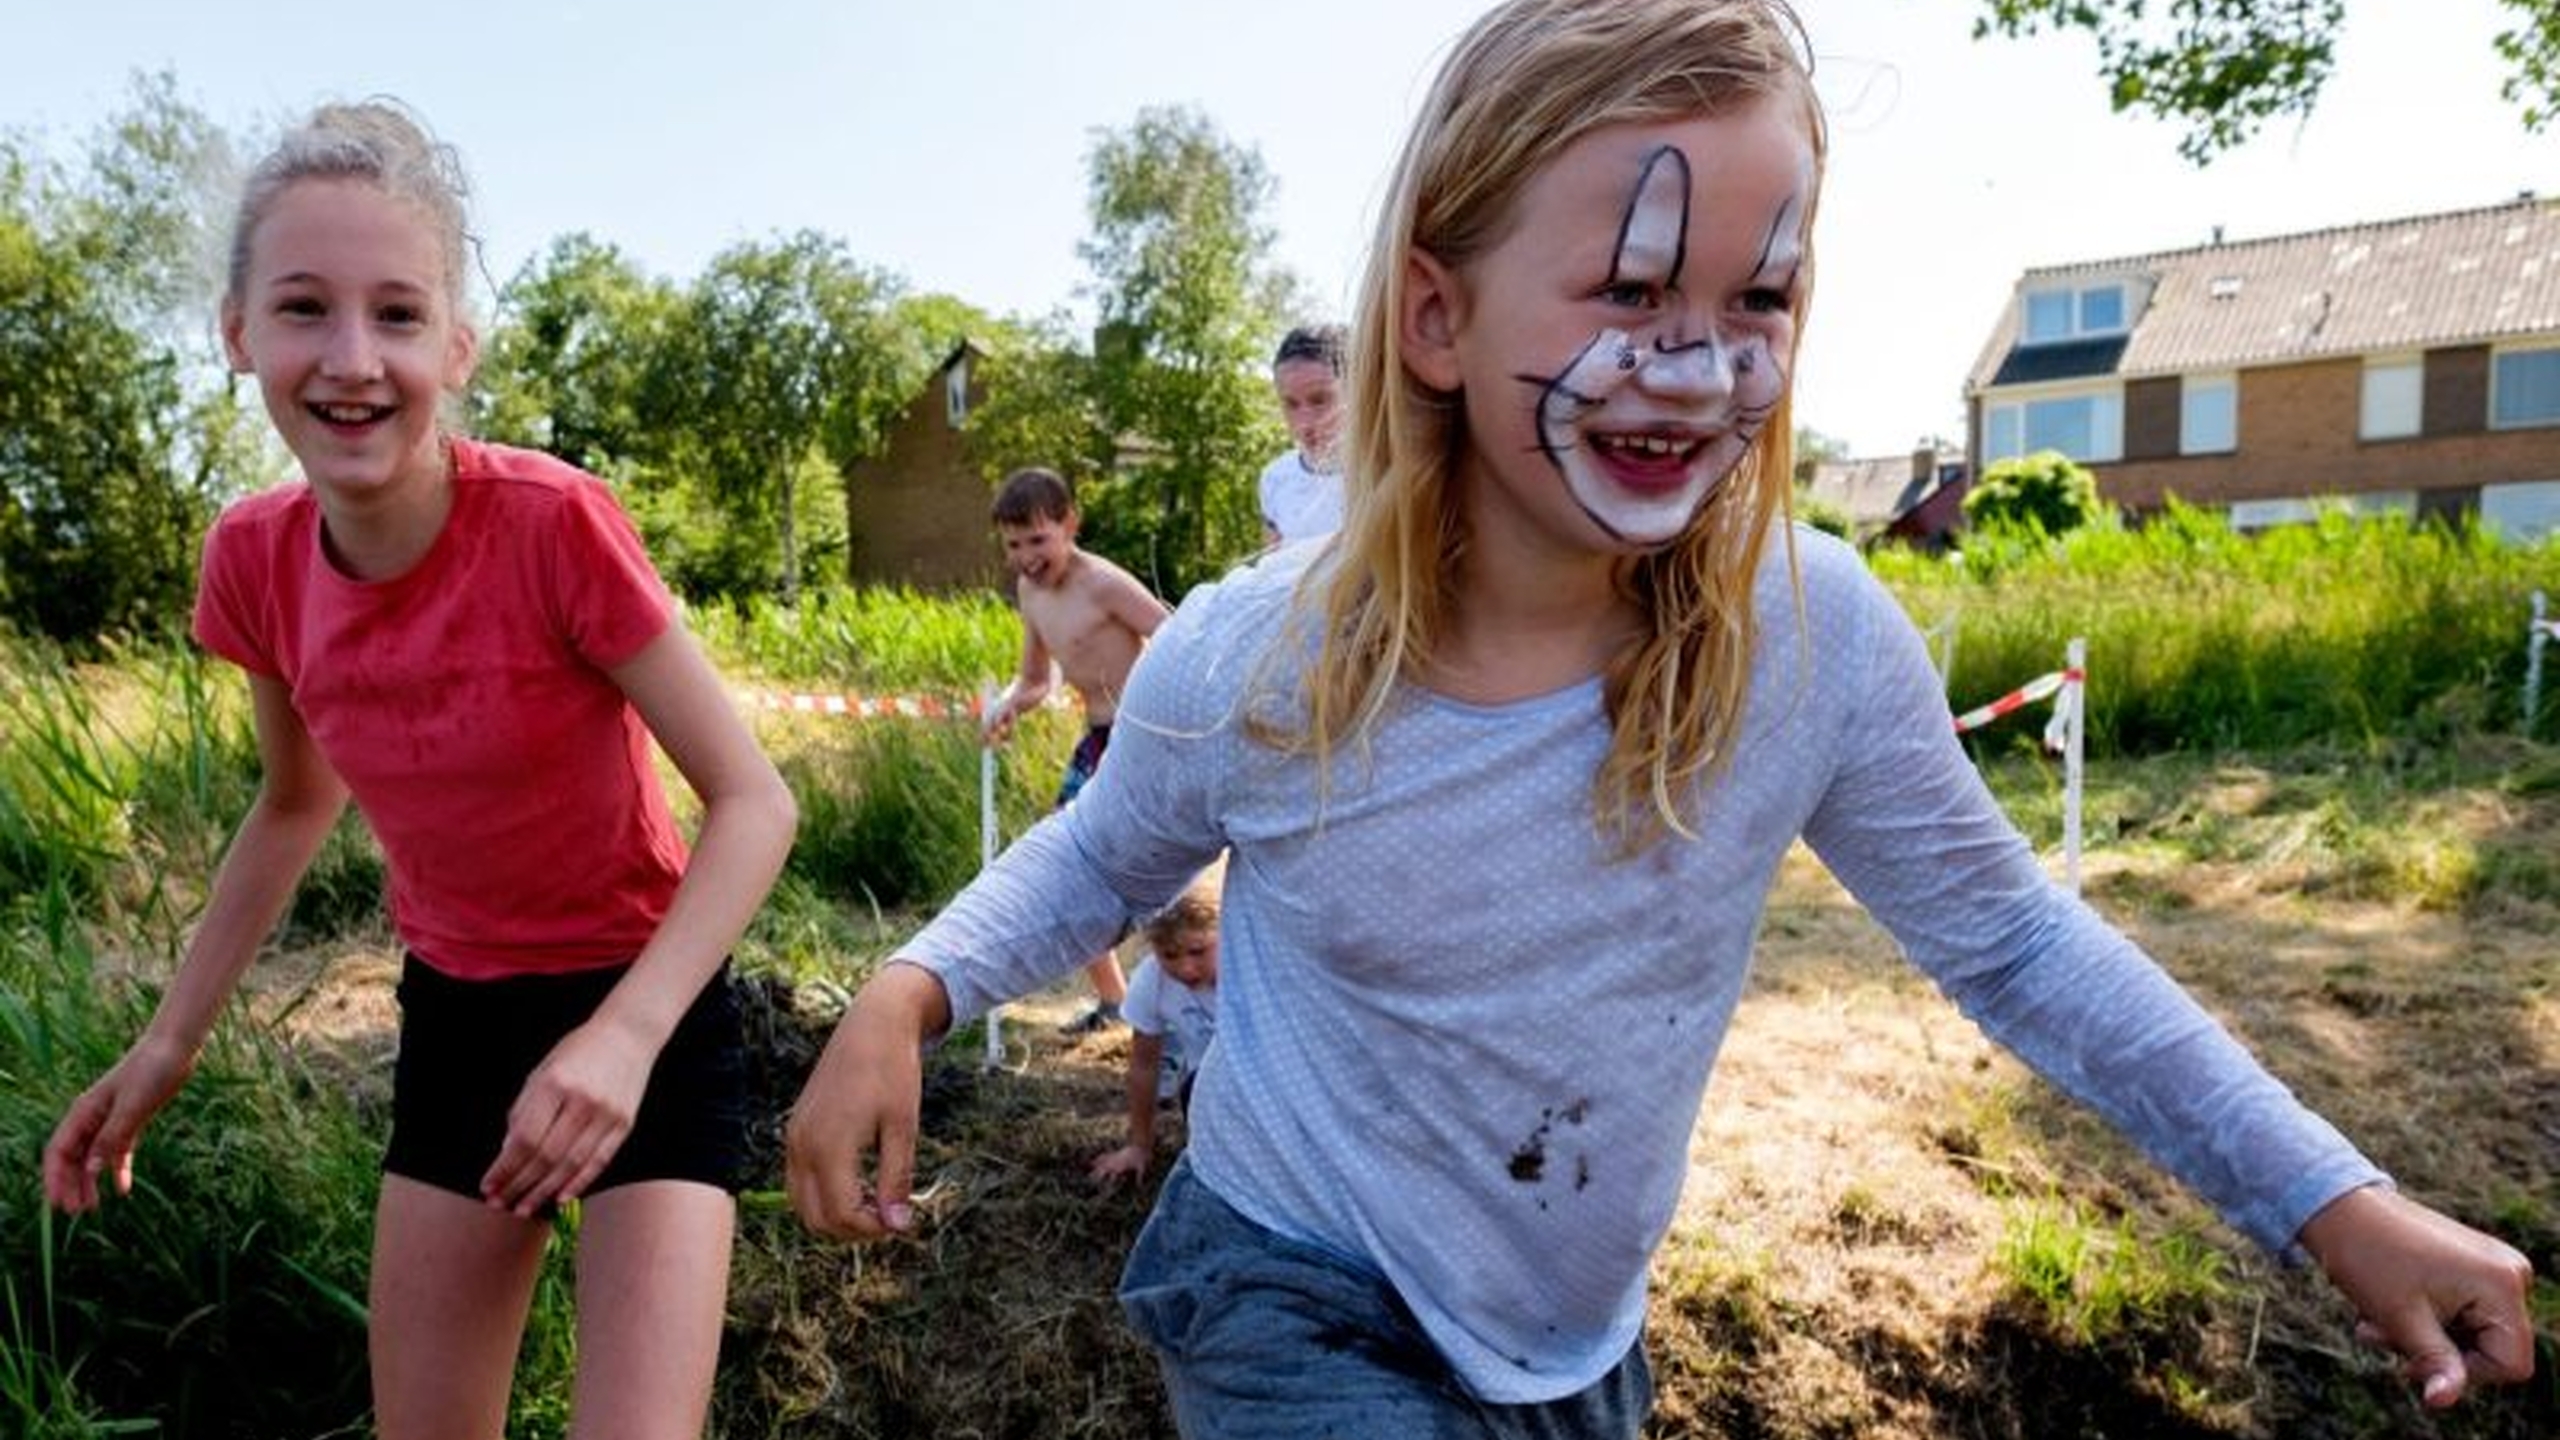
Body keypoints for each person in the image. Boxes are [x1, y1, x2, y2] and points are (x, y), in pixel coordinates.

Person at [784, 0, 2537, 1433]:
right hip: (1286, 1286)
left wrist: (2333, 1199)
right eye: (1628, 293)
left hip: (1571, 1348)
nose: (1696, 367)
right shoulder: (1263, 658)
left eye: (1754, 298)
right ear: (1436, 317)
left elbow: (2017, 944)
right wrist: (908, 990)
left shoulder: (1811, 639)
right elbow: (1102, 857)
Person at [38, 101, 797, 1440]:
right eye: (302, 309)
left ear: (457, 344)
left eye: (396, 315)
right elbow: (293, 802)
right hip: (459, 1019)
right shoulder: (253, 563)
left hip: (649, 1008)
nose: (351, 358)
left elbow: (754, 802)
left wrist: (620, 1040)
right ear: (237, 337)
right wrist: (166, 1047)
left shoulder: (554, 524)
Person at [979, 466, 1173, 1034]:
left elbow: (1172, 633)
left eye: (1038, 540)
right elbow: (1037, 678)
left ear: (1070, 525)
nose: (1027, 557)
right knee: (1073, 863)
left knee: (1159, 869)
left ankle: (1182, 1000)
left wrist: (1163, 713)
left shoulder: (1104, 582)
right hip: (1096, 740)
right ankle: (1116, 1002)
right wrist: (1011, 705)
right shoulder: (1029, 592)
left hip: (1145, 734)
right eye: (1014, 545)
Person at [1089, 862, 1224, 1189]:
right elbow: (1144, 1066)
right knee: (1197, 1087)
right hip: (1208, 1092)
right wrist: (1139, 1145)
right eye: (1170, 955)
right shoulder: (1152, 981)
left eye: (1198, 951)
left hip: (1272, 1084)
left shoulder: (1251, 965)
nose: (1187, 968)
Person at [1256, 324, 1348, 548]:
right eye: (1291, 404)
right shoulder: (1275, 478)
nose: (1304, 423)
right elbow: (1272, 571)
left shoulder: (1393, 474)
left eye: (1319, 400)